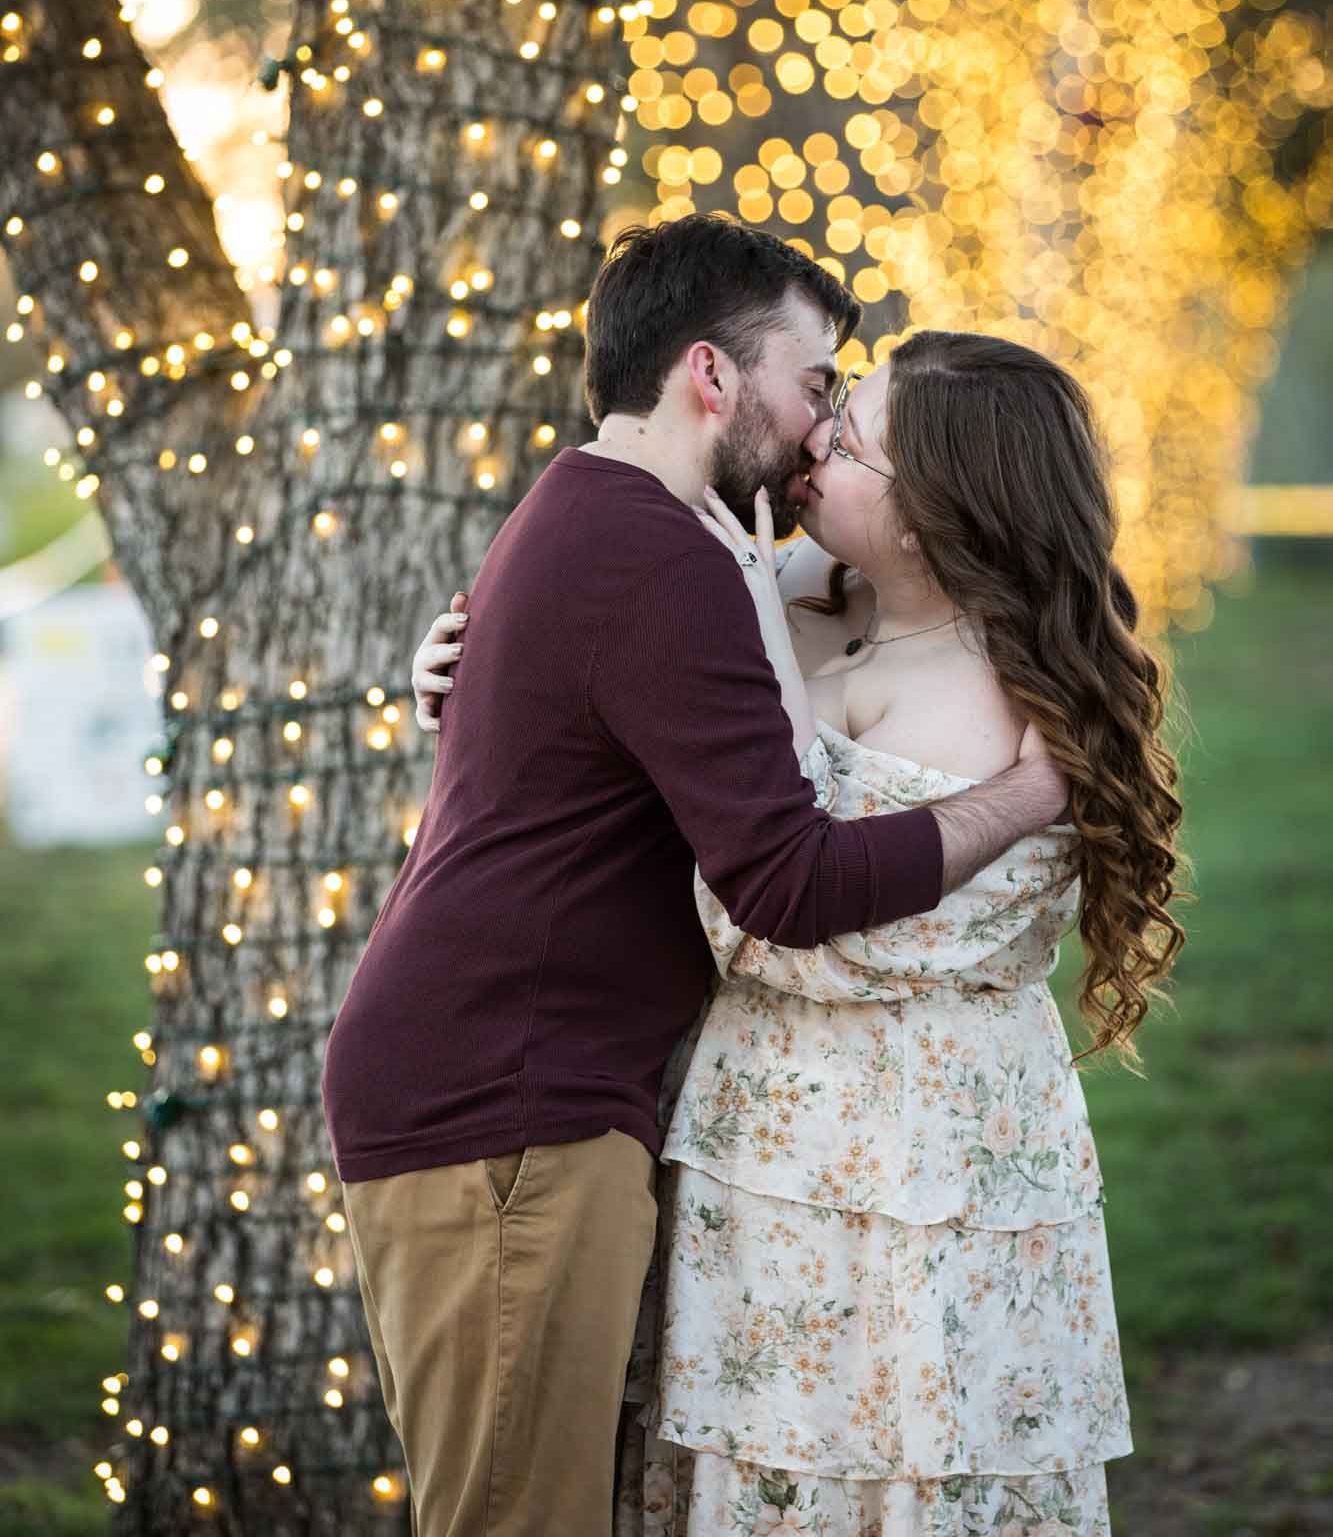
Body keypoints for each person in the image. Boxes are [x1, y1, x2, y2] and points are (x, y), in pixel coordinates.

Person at [322, 215, 1069, 1537]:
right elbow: (787, 882)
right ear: (714, 380)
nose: (818, 424)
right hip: (509, 1108)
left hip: (499, 1085)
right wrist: (1025, 791)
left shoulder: (602, 513)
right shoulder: (666, 559)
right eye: (814, 385)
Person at [420, 330, 1188, 1537]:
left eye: (852, 435)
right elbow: (635, 721)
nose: (812, 441)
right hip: (756, 1140)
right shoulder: (803, 598)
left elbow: (787, 921)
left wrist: (1026, 799)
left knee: (891, 1467)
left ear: (940, 510)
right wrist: (475, 671)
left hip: (909, 1163)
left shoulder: (990, 698)